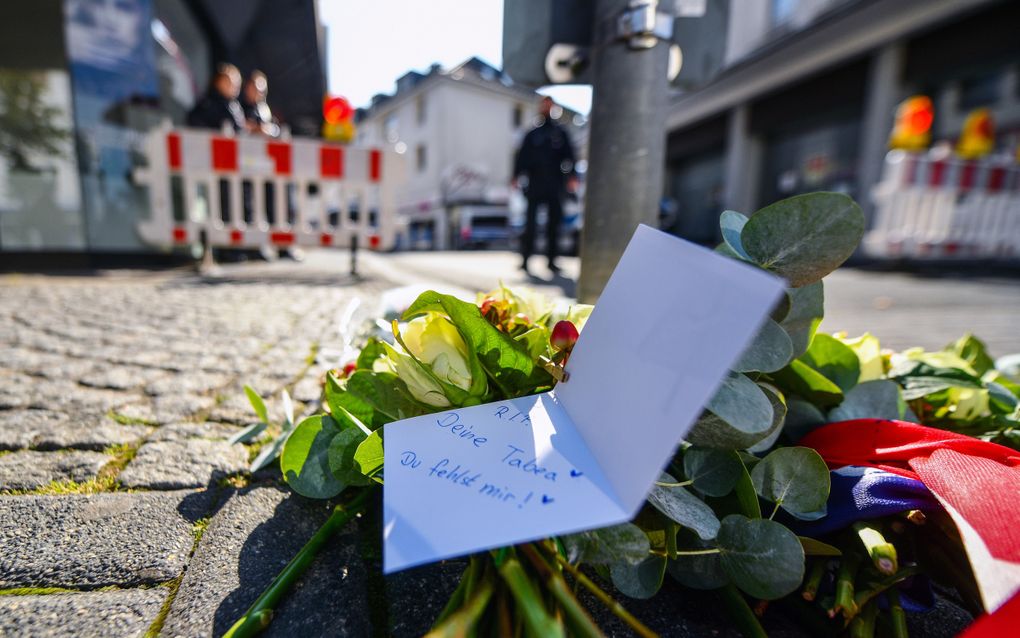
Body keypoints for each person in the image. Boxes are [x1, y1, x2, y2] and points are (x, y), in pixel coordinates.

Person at [512, 96, 579, 273]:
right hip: (534, 184)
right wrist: (515, 176)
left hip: (555, 185)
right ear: (540, 107)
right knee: (530, 224)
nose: (547, 107)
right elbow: (522, 158)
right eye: (544, 104)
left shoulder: (560, 132)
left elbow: (570, 155)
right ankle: (525, 260)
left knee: (554, 225)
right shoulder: (533, 133)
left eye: (550, 105)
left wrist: (572, 176)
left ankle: (551, 261)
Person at [186, 63, 245, 131]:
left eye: (237, 83)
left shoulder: (234, 106)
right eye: (228, 82)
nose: (234, 86)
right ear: (218, 82)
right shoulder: (207, 104)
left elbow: (239, 129)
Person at [240, 70, 281, 137]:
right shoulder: (239, 106)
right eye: (254, 88)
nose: (258, 91)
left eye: (261, 89)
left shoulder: (264, 109)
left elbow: (275, 128)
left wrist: (267, 129)